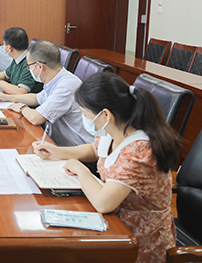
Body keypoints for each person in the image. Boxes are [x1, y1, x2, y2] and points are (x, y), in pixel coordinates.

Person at [33, 72, 179, 263]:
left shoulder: (139, 151)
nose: (84, 118)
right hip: (114, 221)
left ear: (105, 115)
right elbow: (95, 150)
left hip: (138, 241)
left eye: (85, 114)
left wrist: (81, 170)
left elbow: (103, 203)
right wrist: (58, 152)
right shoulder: (116, 129)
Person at [0, 40, 93, 147]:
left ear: (39, 67)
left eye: (29, 66)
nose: (29, 70)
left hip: (76, 148)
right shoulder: (55, 78)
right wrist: (7, 97)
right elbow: (37, 98)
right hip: (56, 142)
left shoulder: (67, 86)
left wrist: (21, 107)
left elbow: (36, 118)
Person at [0, 27, 43, 95]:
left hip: (25, 101)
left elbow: (21, 91)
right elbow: (5, 75)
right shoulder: (17, 58)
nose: (3, 47)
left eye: (4, 45)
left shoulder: (29, 63)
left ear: (9, 48)